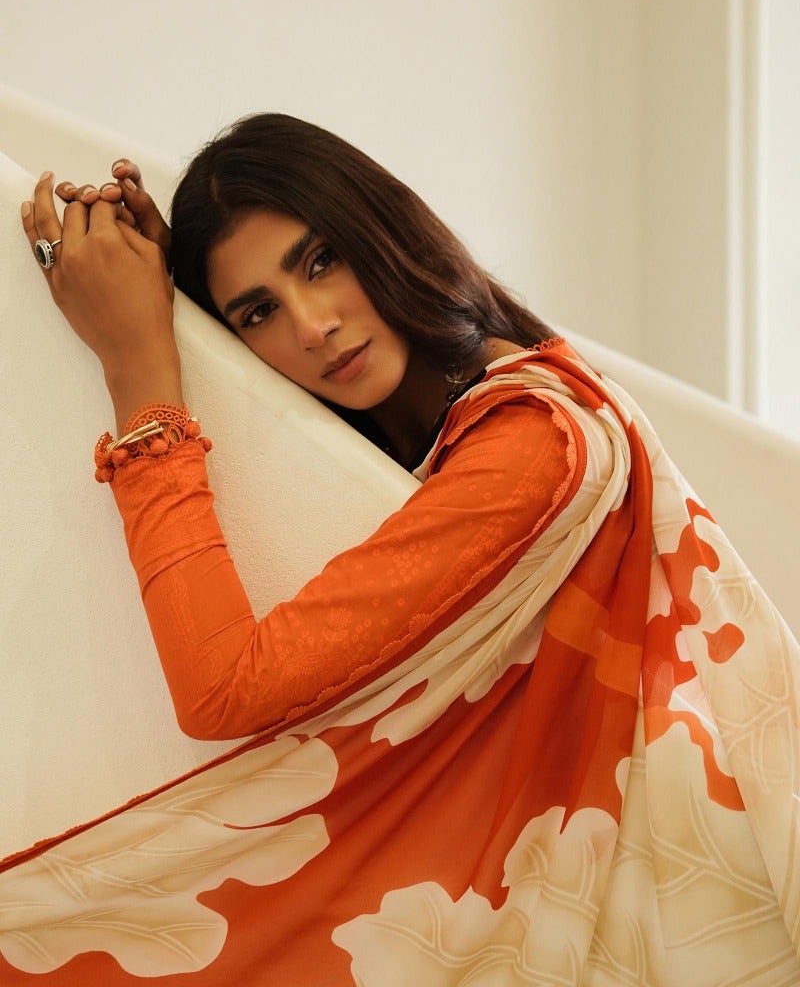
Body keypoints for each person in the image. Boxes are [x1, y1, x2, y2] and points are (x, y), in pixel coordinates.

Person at [12, 114, 799, 986]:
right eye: (258, 312)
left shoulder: (532, 444)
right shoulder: (475, 422)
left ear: (383, 231)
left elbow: (224, 686)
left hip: (692, 899)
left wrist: (140, 371)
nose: (313, 325)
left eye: (321, 261)